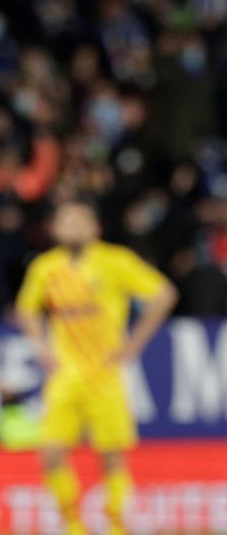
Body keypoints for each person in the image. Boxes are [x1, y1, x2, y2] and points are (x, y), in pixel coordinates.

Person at [15, 199, 177, 535]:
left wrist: (133, 345)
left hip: (105, 376)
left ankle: (117, 526)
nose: (73, 225)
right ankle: (74, 526)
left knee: (112, 457)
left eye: (81, 219)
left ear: (96, 228)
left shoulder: (115, 261)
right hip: (65, 376)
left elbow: (163, 294)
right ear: (55, 228)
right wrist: (41, 347)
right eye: (66, 219)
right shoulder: (45, 267)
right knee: (51, 455)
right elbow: (26, 310)